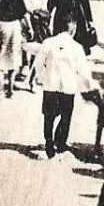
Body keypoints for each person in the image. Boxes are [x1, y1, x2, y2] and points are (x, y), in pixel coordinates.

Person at [30, 12, 97, 158]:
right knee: (66, 116)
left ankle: (48, 142)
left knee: (49, 115)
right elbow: (84, 69)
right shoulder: (77, 47)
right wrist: (90, 85)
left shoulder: (48, 42)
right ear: (73, 27)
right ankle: (60, 143)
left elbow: (38, 63)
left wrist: (39, 78)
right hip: (68, 87)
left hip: (50, 84)